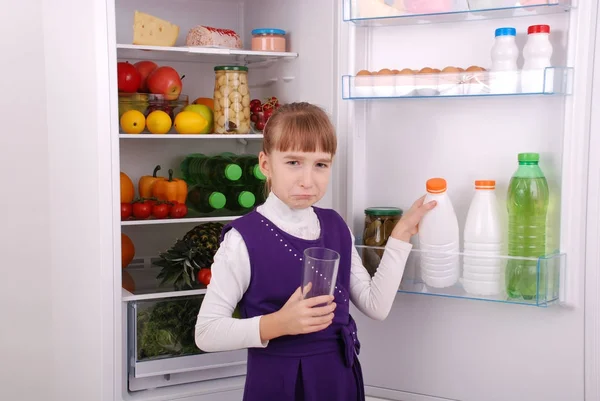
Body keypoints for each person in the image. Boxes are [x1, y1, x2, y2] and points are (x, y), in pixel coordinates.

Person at [195, 102, 436, 401]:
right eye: (293, 162)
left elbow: (376, 305)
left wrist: (401, 235)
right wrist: (278, 324)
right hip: (278, 386)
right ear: (266, 164)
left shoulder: (336, 226)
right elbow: (206, 332)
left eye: (320, 164)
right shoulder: (243, 239)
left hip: (339, 380)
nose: (308, 180)